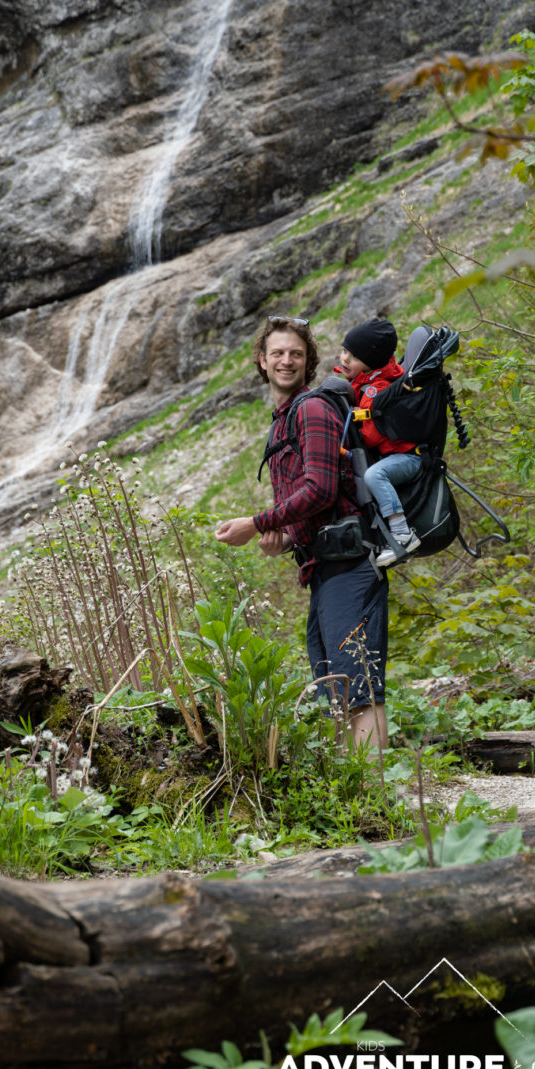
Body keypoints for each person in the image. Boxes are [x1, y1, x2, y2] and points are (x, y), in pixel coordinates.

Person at [215, 315, 388, 752]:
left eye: (296, 353)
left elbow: (321, 488)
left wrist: (258, 523)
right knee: (336, 686)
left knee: (357, 686)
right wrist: (286, 536)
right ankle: (359, 795)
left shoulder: (310, 409)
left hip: (350, 566)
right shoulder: (282, 420)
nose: (286, 360)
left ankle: (379, 797)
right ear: (262, 360)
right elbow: (320, 502)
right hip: (326, 567)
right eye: (278, 353)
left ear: (308, 360)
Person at [337, 318, 421, 567]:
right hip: (399, 454)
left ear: (370, 364)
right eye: (343, 351)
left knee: (375, 476)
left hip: (411, 458)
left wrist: (354, 426)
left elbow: (371, 437)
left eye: (351, 357)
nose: (343, 360)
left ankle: (403, 535)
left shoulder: (377, 390)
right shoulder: (370, 380)